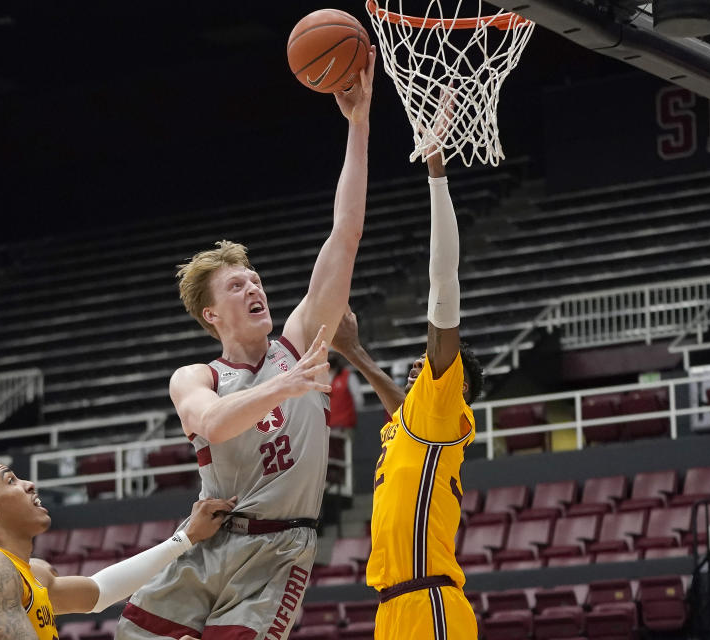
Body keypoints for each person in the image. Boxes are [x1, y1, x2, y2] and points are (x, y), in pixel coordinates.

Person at [115, 48, 377, 640]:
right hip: (208, 543)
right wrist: (288, 384)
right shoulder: (196, 376)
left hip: (278, 552)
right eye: (238, 285)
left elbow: (346, 233)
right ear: (212, 313)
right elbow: (212, 425)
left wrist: (358, 126)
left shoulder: (301, 340)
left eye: (255, 278)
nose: (254, 285)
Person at [331, 148, 485, 639]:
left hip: (430, 602)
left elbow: (444, 281)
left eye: (430, 362)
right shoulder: (416, 424)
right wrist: (354, 351)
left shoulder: (445, 407)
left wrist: (437, 176)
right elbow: (399, 405)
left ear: (454, 383)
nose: (421, 363)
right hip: (392, 609)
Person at [0, 460, 235, 640]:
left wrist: (186, 538)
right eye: (11, 480)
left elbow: (100, 591)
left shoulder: (35, 574)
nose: (30, 484)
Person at [327, 351, 364, 433]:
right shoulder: (321, 377)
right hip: (327, 427)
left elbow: (358, 399)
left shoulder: (348, 376)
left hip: (345, 426)